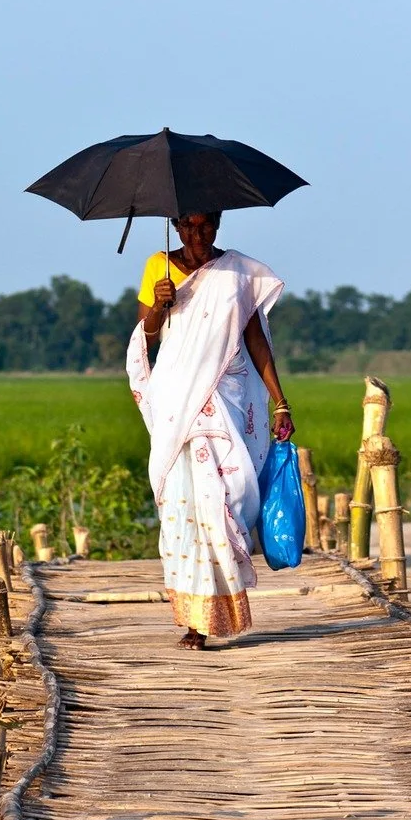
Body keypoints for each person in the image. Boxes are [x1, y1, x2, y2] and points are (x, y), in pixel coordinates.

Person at [125, 211, 293, 649]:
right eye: (189, 227)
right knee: (184, 511)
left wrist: (280, 401)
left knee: (225, 501)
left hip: (225, 399)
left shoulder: (237, 272)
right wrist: (160, 305)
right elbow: (147, 336)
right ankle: (195, 623)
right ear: (176, 226)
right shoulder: (157, 268)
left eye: (206, 227)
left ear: (217, 225)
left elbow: (255, 341)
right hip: (177, 406)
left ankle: (221, 610)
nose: (198, 236)